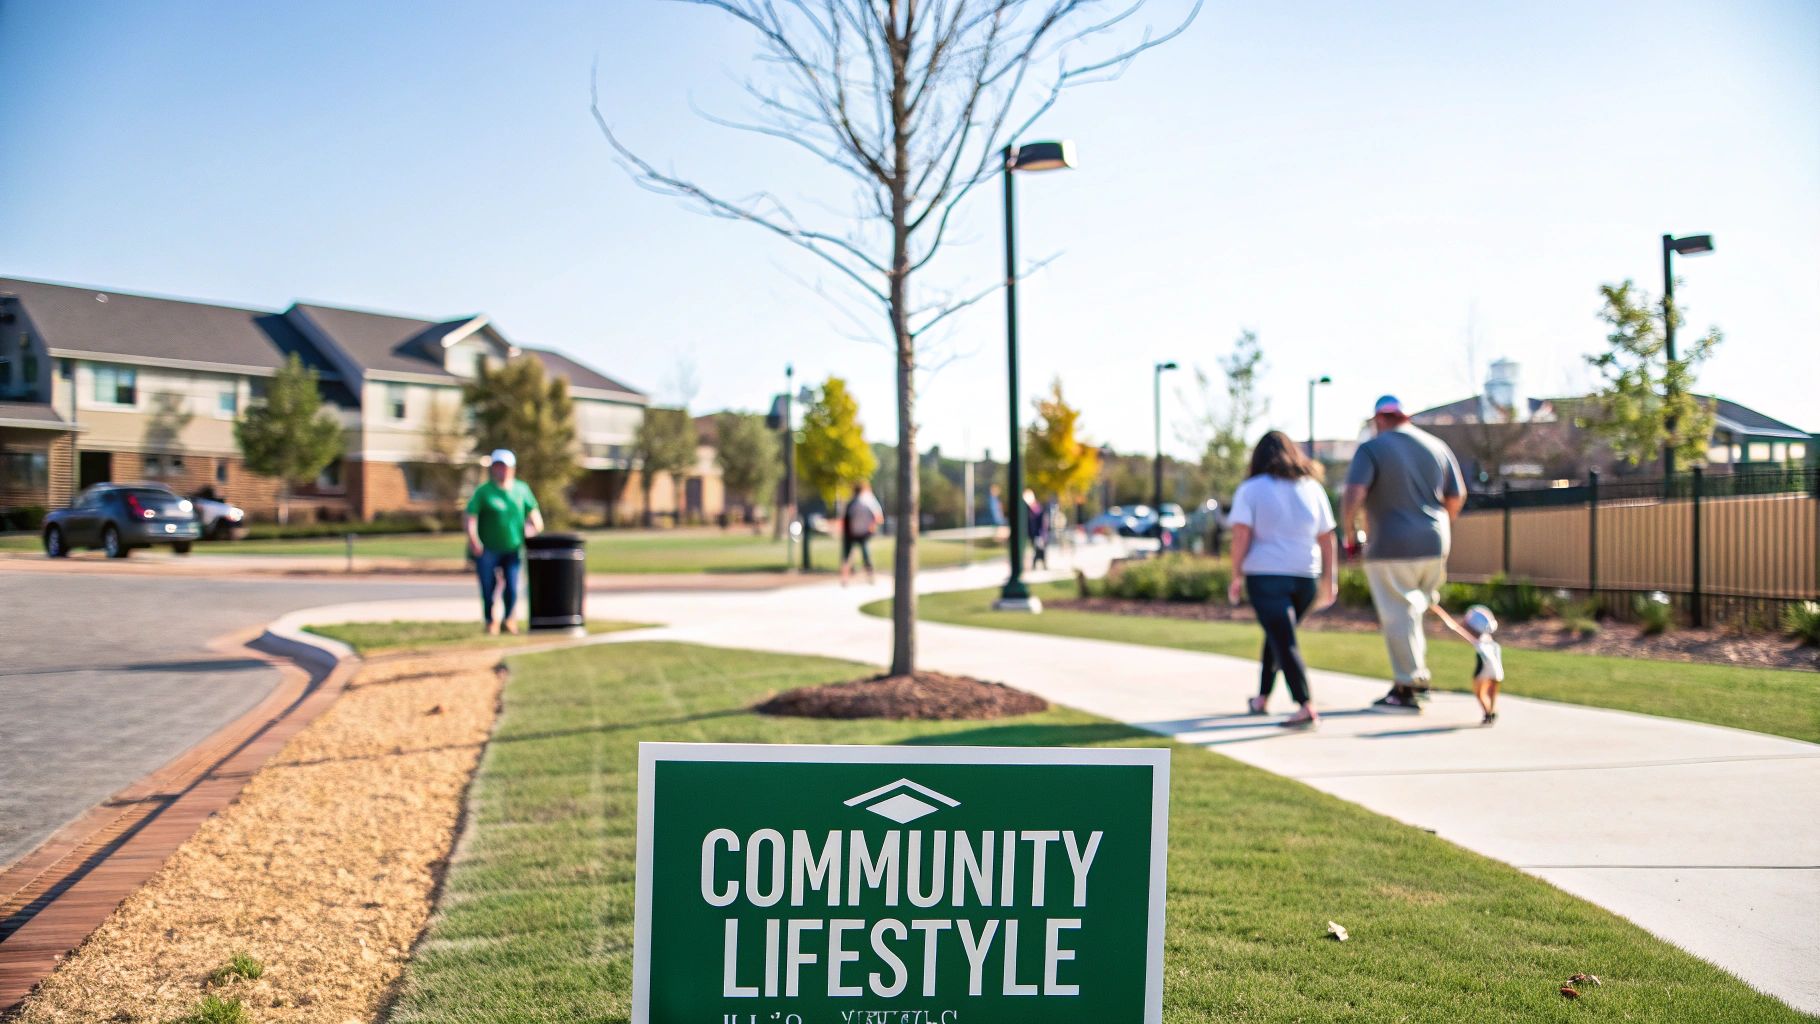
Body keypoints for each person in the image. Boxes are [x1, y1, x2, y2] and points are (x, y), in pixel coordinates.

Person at [1341, 395, 1467, 713]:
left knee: (1398, 614)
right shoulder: (1437, 446)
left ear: (1380, 419)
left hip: (1391, 546)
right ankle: (1411, 680)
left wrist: (1350, 533)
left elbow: (1354, 492)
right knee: (1412, 614)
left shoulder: (1372, 448)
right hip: (1435, 544)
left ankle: (1410, 686)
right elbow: (1457, 495)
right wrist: (1439, 525)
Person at [1224, 431, 1338, 729]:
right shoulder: (1312, 488)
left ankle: (1305, 706)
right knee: (1277, 635)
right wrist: (1331, 579)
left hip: (1266, 576)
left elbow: (1240, 535)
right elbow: (1327, 538)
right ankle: (1262, 697)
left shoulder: (1251, 489)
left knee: (1283, 639)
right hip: (1305, 579)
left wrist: (1235, 574)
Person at [465, 449, 543, 634]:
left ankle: (509, 620)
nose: (501, 470)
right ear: (493, 469)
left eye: (505, 467)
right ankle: (490, 621)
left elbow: (535, 516)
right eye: (497, 466)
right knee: (488, 587)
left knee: (513, 587)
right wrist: (473, 539)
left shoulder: (521, 489)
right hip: (487, 549)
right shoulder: (484, 491)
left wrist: (533, 529)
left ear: (512, 469)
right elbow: (471, 517)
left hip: (513, 548)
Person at [1435, 604, 1504, 725]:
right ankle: (1490, 712)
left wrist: (1437, 609)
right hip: (1498, 672)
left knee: (1480, 693)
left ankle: (1489, 713)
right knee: (1491, 693)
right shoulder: (1491, 642)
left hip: (1483, 672)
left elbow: (1455, 627)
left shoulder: (1479, 642)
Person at [839, 480, 883, 586]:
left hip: (855, 533)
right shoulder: (868, 500)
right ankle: (867, 576)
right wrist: (872, 527)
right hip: (859, 533)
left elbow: (878, 518)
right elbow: (879, 518)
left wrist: (871, 526)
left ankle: (847, 579)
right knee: (863, 555)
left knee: (850, 556)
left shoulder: (857, 501)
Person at [1025, 488, 1049, 569]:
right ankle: (1037, 565)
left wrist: (1040, 534)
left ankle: (1041, 564)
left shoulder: (1037, 508)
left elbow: (1041, 523)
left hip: (1039, 533)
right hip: (1034, 533)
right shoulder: (1028, 509)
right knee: (1036, 549)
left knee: (1039, 549)